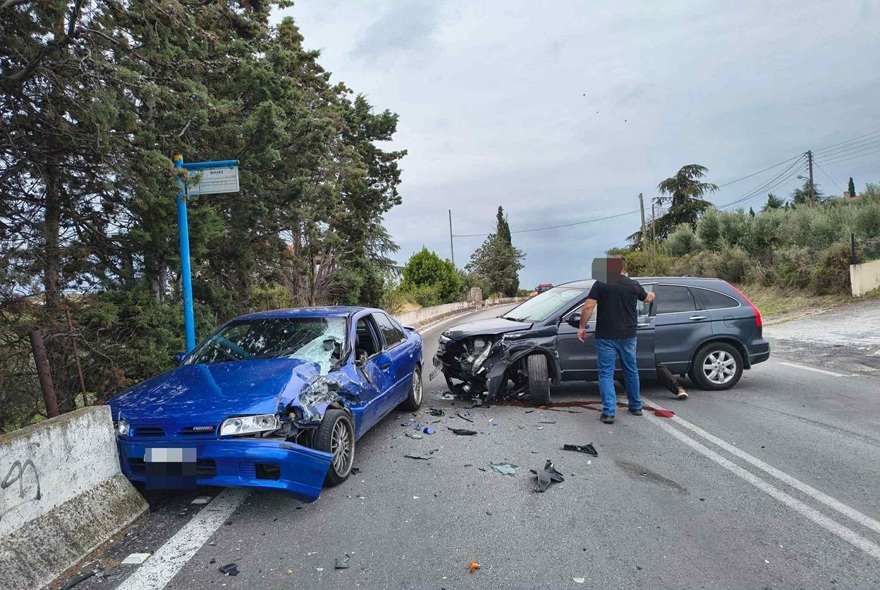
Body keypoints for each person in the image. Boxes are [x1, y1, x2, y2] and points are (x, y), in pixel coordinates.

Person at [577, 257, 655, 424]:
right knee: (631, 370)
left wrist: (582, 327)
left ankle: (608, 413)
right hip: (628, 335)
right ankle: (636, 406)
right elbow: (647, 298)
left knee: (606, 373)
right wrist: (652, 294)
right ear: (624, 268)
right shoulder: (633, 285)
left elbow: (588, 306)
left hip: (606, 335)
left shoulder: (601, 284)